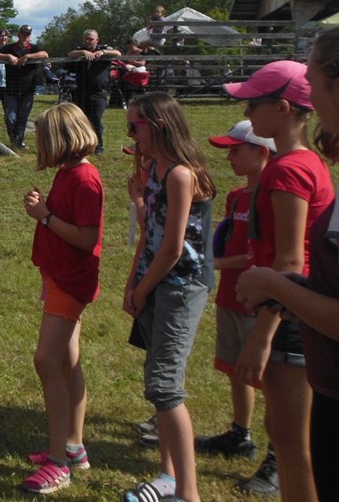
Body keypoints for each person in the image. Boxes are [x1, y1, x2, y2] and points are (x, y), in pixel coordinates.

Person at [235, 27, 339, 502]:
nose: (246, 111)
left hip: (292, 320)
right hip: (296, 315)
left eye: (253, 103)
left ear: (282, 108)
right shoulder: (302, 161)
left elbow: (291, 258)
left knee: (295, 449)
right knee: (286, 432)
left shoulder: (290, 168)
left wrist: (260, 339)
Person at [122, 91, 216, 502]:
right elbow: (149, 232)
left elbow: (174, 247)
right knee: (159, 382)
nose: (130, 134)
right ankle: (167, 475)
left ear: (158, 126)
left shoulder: (180, 174)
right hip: (154, 282)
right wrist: (132, 282)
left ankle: (188, 493)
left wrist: (143, 287)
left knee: (165, 386)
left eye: (134, 126)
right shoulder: (155, 168)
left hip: (179, 286)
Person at [19, 102, 103, 494]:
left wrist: (45, 217)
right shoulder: (68, 174)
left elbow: (87, 240)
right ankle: (73, 447)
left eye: (42, 138)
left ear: (59, 140)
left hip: (72, 281)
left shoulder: (85, 180)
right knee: (68, 360)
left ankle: (58, 464)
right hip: (60, 276)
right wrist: (47, 211)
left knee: (46, 360)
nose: (39, 144)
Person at [199, 120, 281, 496]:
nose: (228, 157)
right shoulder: (235, 196)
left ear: (262, 151)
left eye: (236, 150)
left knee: (274, 383)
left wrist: (210, 262)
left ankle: (279, 455)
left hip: (259, 306)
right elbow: (229, 240)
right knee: (236, 371)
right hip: (232, 296)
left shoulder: (274, 198)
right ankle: (240, 435)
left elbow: (264, 256)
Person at [67, 29, 120, 155]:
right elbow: (70, 53)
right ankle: (82, 145)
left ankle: (98, 147)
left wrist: (103, 52)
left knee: (96, 119)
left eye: (90, 39)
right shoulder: (80, 49)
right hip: (81, 91)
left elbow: (118, 53)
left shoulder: (104, 49)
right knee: (81, 120)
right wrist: (83, 52)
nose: (87, 41)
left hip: (99, 92)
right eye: (85, 38)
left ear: (97, 39)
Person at [0, 25, 49, 150]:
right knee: (10, 118)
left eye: (28, 34)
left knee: (23, 117)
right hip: (11, 90)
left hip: (28, 90)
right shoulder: (10, 48)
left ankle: (18, 143)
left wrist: (28, 57)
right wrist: (9, 56)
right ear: (18, 35)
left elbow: (45, 54)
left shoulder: (33, 48)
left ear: (30, 36)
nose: (25, 36)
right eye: (23, 33)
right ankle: (14, 139)